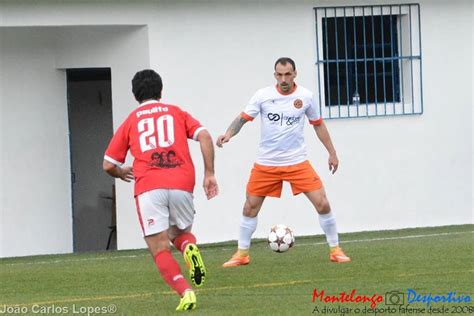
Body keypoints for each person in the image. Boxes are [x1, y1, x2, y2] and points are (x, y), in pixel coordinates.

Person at [217, 57, 350, 267]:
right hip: (266, 163)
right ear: (274, 75)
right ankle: (242, 254)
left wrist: (332, 153)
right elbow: (243, 118)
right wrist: (228, 134)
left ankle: (335, 250)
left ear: (295, 73)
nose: (283, 79)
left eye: (287, 74)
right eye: (279, 75)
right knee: (250, 207)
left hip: (297, 162)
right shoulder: (263, 96)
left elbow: (318, 125)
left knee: (322, 203)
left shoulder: (305, 96)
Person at [103, 69, 218, 311]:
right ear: (161, 91)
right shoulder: (176, 112)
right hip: (182, 183)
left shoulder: (131, 121)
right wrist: (209, 174)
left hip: (149, 186)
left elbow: (108, 165)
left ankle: (185, 292)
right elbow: (205, 136)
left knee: (159, 247)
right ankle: (189, 248)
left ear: (135, 94)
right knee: (180, 234)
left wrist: (121, 172)